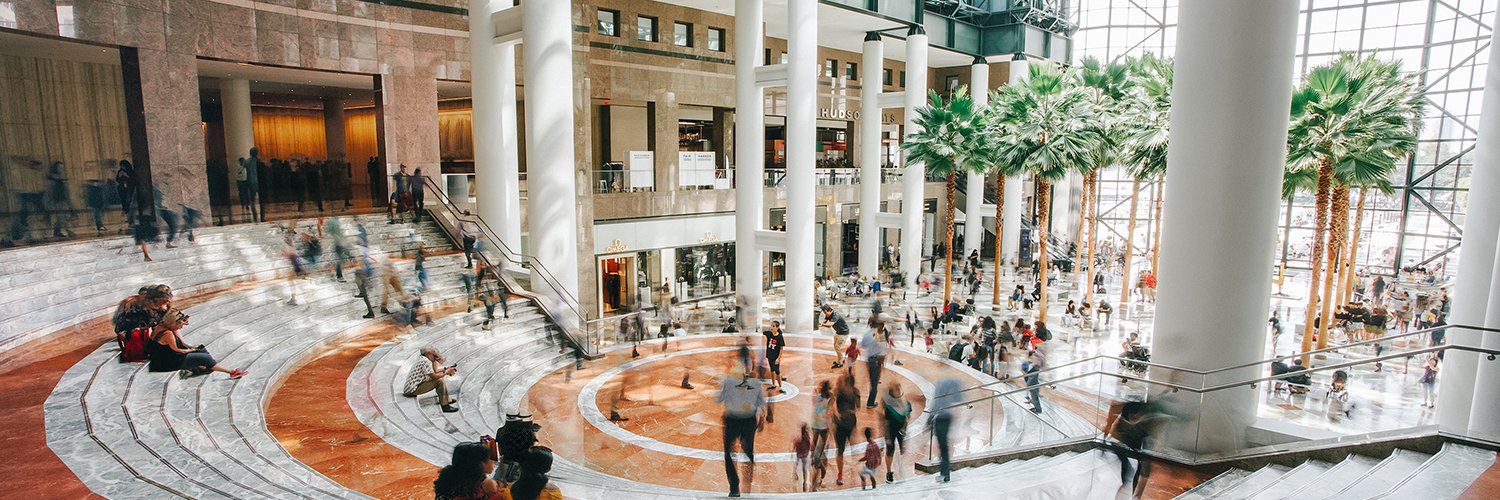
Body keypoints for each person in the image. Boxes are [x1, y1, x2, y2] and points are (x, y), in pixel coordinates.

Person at [717, 354, 767, 498]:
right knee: (749, 450)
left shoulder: (728, 381)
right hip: (749, 420)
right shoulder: (756, 383)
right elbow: (761, 403)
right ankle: (748, 482)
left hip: (732, 420)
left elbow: (719, 398)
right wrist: (762, 417)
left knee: (728, 453)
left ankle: (734, 487)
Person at [147, 309, 247, 379]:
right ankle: (231, 372)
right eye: (180, 325)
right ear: (174, 324)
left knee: (201, 349)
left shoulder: (163, 327)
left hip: (167, 356)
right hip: (167, 362)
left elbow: (181, 343)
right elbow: (177, 350)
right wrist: (190, 350)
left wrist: (192, 348)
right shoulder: (167, 333)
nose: (181, 328)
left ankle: (201, 367)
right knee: (204, 358)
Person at [433, 442, 506, 500]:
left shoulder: (447, 479)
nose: (493, 463)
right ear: (482, 463)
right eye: (490, 459)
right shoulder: (486, 485)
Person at [403, 346, 459, 413]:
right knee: (439, 381)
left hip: (414, 386)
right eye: (434, 355)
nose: (436, 358)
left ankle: (446, 399)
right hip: (412, 390)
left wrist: (446, 368)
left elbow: (435, 370)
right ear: (428, 354)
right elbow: (434, 376)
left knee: (440, 378)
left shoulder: (424, 358)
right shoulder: (425, 361)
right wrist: (447, 372)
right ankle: (445, 406)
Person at [930, 378, 962, 482]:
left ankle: (945, 474)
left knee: (943, 447)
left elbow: (935, 403)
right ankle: (945, 473)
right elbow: (957, 398)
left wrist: (930, 417)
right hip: (947, 417)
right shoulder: (950, 384)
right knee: (943, 447)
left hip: (941, 418)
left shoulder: (940, 385)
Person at [831, 369, 859, 486]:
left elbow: (832, 404)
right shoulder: (855, 391)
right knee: (852, 446)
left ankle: (840, 474)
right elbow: (858, 406)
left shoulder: (839, 391)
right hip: (851, 421)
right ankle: (854, 469)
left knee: (840, 450)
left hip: (841, 422)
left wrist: (834, 417)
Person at [881, 382, 912, 483]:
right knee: (890, 450)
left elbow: (908, 414)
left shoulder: (904, 402)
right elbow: (884, 420)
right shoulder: (889, 405)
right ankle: (889, 472)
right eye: (896, 390)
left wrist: (905, 426)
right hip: (890, 430)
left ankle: (901, 467)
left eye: (899, 389)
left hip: (901, 429)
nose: (899, 391)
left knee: (903, 448)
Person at [810, 380, 833, 491]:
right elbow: (829, 411)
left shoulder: (817, 396)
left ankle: (813, 458)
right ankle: (820, 458)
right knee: (823, 442)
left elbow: (814, 405)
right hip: (824, 424)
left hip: (815, 422)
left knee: (814, 440)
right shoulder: (830, 398)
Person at [861, 320, 888, 407]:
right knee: (874, 383)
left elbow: (863, 345)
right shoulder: (880, 336)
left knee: (873, 381)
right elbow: (882, 351)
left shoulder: (868, 334)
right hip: (876, 361)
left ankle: (871, 401)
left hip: (869, 360)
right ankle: (870, 403)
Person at [762, 321, 785, 392]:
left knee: (777, 371)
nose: (771, 327)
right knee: (772, 369)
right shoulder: (769, 334)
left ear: (777, 328)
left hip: (776, 357)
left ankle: (780, 386)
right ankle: (773, 384)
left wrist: (778, 358)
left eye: (773, 326)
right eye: (771, 326)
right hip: (770, 355)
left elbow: (781, 349)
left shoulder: (780, 337)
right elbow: (763, 332)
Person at [794, 424, 812, 492]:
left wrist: (794, 449)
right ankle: (804, 480)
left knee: (797, 463)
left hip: (799, 453)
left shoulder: (798, 438)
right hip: (805, 454)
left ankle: (795, 472)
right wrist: (807, 451)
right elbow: (809, 445)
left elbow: (795, 444)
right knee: (804, 468)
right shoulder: (807, 437)